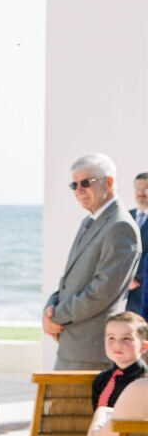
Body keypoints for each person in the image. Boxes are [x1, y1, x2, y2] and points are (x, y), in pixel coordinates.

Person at [43, 153, 141, 370]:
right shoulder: (90, 221)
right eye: (74, 185)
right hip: (72, 345)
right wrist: (49, 307)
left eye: (86, 183)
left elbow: (101, 291)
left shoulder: (120, 226)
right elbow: (69, 279)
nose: (78, 191)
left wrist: (56, 316)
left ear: (108, 182)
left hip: (91, 350)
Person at [127, 173, 148, 313]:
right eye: (138, 188)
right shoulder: (126, 216)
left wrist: (133, 276)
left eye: (146, 188)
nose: (141, 192)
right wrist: (124, 278)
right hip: (123, 293)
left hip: (143, 289)